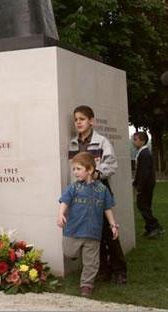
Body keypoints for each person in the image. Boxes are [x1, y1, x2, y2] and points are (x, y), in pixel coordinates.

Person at [68, 105, 127, 284]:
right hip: (81, 195)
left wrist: (97, 174)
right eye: (76, 119)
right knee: (93, 234)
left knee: (109, 233)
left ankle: (120, 270)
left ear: (91, 121)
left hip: (99, 191)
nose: (78, 122)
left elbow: (112, 164)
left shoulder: (101, 142)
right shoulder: (72, 144)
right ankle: (103, 269)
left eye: (82, 119)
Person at [58, 152, 119, 297]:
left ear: (90, 170)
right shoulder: (73, 188)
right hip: (74, 229)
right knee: (69, 251)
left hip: (93, 231)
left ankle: (86, 285)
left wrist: (113, 225)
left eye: (78, 169)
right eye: (74, 169)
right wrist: (61, 214)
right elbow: (65, 201)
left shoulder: (102, 190)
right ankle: (76, 253)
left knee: (91, 262)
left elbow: (107, 208)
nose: (75, 172)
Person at [132, 131, 164, 238]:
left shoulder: (144, 153)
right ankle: (149, 228)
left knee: (142, 206)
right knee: (146, 206)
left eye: (135, 139)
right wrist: (135, 182)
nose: (133, 142)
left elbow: (144, 172)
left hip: (146, 185)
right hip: (146, 184)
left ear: (142, 141)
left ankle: (155, 226)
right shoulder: (142, 152)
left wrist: (140, 186)